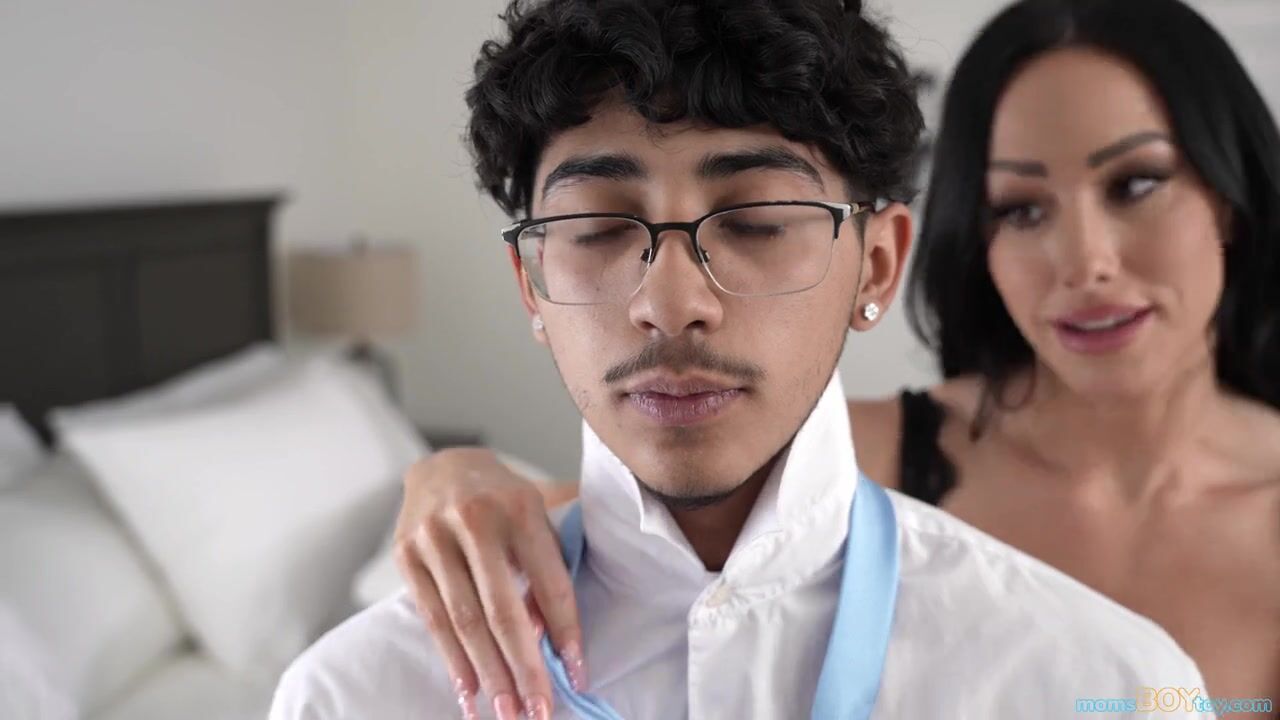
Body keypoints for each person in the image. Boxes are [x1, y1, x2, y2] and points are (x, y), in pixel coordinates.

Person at [270, 0, 1213, 718]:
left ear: (877, 264)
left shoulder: (1103, 684)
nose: (670, 301)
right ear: (532, 284)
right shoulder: (358, 698)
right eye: (598, 227)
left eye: (757, 220)